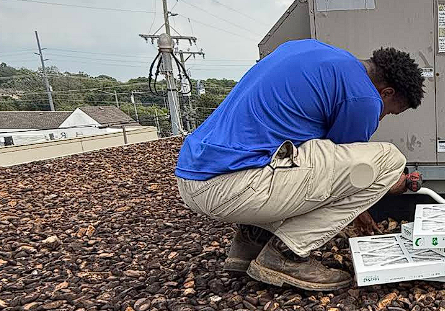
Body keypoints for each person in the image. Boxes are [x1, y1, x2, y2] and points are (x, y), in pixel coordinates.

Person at [175, 40, 424, 291]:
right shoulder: (363, 97)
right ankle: (285, 256)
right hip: (234, 187)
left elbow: (316, 166)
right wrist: (388, 186)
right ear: (387, 92)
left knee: (292, 151)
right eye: (390, 111)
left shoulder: (310, 52)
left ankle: (251, 242)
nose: (381, 116)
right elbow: (348, 175)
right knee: (389, 160)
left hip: (195, 174)